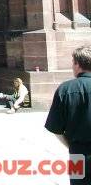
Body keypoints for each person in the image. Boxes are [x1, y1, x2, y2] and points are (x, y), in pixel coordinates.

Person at [45, 46, 91, 184]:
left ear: (77, 64)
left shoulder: (65, 89)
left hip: (78, 152)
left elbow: (55, 129)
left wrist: (71, 144)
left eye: (73, 62)